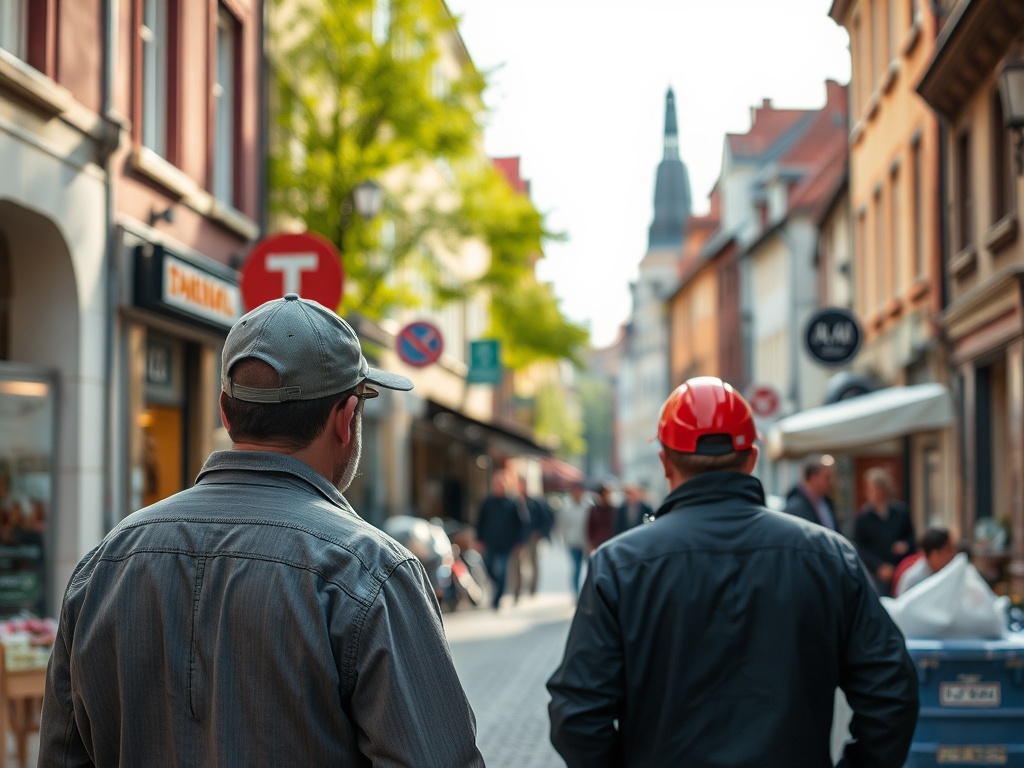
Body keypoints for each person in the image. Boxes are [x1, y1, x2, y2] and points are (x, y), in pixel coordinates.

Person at [40, 294, 484, 767]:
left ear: (227, 414)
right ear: (344, 419)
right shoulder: (369, 572)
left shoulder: (107, 562)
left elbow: (61, 756)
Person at [547, 376, 918, 768]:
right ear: (752, 458)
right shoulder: (827, 556)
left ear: (665, 462)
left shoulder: (618, 566)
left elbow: (577, 716)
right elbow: (892, 693)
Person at [853, 466, 916, 596]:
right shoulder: (863, 517)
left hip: (901, 568)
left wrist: (905, 545)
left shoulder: (901, 511)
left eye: (875, 489)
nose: (872, 493)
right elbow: (860, 547)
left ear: (884, 489)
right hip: (877, 572)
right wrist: (878, 567)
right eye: (870, 489)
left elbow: (911, 537)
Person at [476, 471, 524, 610]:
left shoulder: (513, 502)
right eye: (497, 484)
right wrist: (479, 539)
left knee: (503, 571)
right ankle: (498, 588)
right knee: (489, 569)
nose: (499, 487)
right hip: (490, 543)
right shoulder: (488, 502)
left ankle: (497, 599)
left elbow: (521, 523)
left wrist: (519, 541)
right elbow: (480, 522)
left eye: (502, 484)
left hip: (507, 544)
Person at [511, 476, 553, 598]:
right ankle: (517, 590)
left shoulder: (535, 502)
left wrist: (540, 532)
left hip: (533, 537)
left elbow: (545, 518)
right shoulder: (515, 501)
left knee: (534, 562)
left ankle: (533, 588)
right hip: (519, 537)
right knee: (517, 564)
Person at [893, 526, 958, 597]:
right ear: (935, 554)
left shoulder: (949, 571)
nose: (953, 554)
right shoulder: (915, 579)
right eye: (948, 550)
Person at [784, 455, 838, 531]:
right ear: (813, 477)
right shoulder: (795, 508)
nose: (832, 482)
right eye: (827, 477)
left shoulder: (827, 503)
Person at [558, 479, 592, 596]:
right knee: (576, 568)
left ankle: (587, 593)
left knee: (589, 569)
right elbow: (562, 525)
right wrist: (565, 540)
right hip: (573, 542)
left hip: (586, 542)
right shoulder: (566, 507)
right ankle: (576, 594)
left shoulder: (588, 506)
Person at [586, 482, 617, 553]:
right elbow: (590, 528)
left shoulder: (615, 510)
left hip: (612, 542)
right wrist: (591, 545)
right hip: (598, 543)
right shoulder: (594, 510)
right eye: (605, 494)